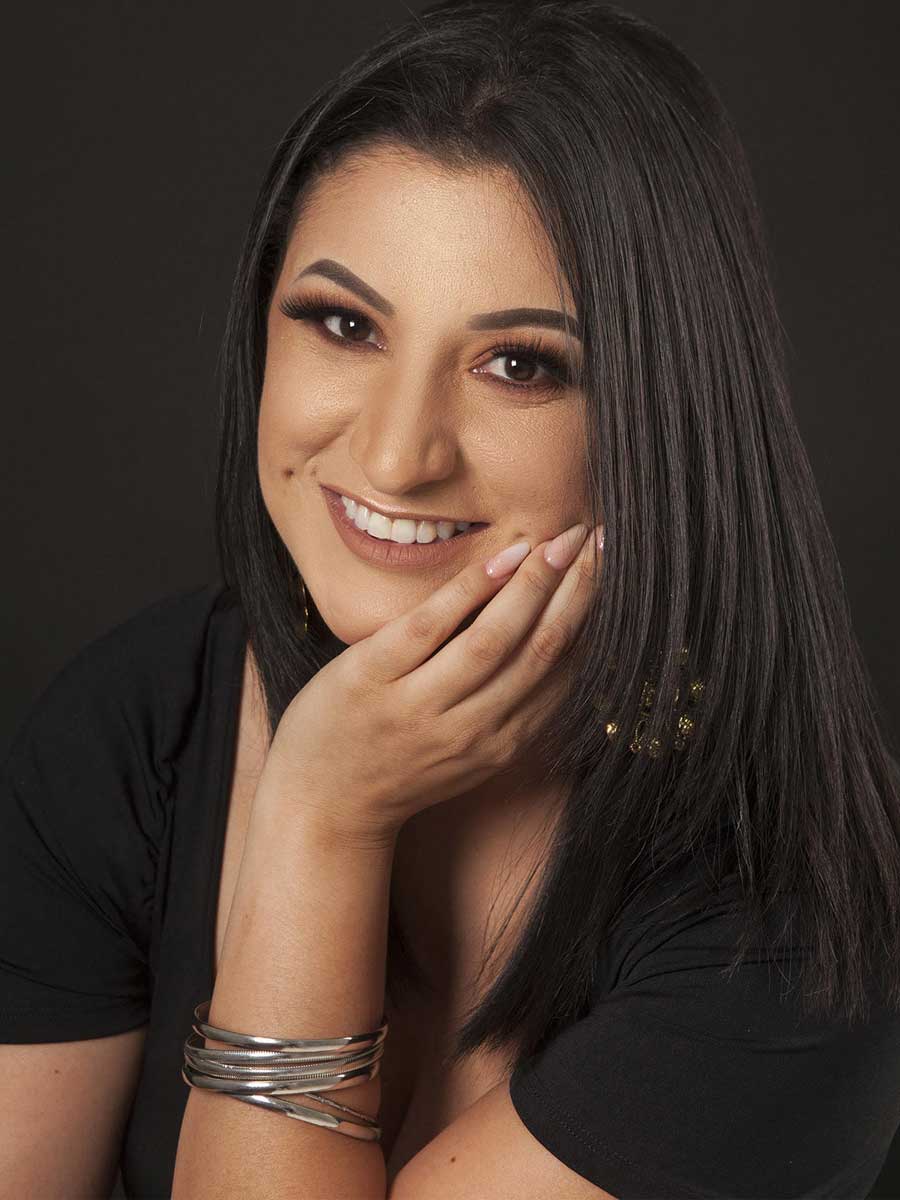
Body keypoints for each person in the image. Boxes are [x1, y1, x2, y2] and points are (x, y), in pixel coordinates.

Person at [2, 0, 899, 1196]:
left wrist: (323, 817)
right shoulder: (140, 723)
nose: (396, 455)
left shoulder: (786, 937)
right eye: (344, 324)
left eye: (518, 364)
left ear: (664, 414)